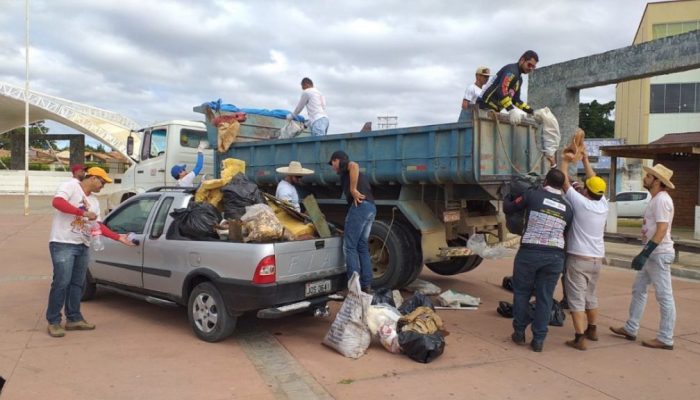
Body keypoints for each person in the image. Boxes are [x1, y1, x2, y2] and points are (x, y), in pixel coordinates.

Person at [46, 167, 135, 338]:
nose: (103, 186)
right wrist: (82, 212)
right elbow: (57, 202)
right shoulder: (71, 186)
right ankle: (54, 321)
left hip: (82, 244)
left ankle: (74, 318)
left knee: (77, 283)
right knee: (61, 282)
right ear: (93, 178)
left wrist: (118, 238)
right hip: (63, 242)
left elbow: (98, 225)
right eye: (102, 182)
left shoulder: (94, 201)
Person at [504, 168, 573, 352]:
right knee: (545, 297)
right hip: (555, 257)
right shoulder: (568, 208)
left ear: (545, 182)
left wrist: (507, 196)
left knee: (522, 293)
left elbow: (509, 208)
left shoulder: (533, 195)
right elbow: (565, 234)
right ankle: (539, 340)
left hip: (530, 253)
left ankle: (519, 333)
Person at [611, 164, 677, 350]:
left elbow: (662, 229)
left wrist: (644, 253)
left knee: (664, 296)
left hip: (658, 254)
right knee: (638, 289)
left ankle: (666, 338)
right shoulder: (656, 199)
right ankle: (631, 328)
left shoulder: (662, 200)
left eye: (649, 176)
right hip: (652, 253)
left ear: (657, 181)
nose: (645, 178)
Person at [559, 152, 609, 351]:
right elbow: (593, 179)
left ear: (586, 190)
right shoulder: (603, 204)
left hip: (579, 258)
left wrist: (564, 161)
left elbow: (563, 182)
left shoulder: (581, 203)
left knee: (576, 298)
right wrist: (586, 160)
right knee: (591, 295)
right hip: (597, 259)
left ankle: (579, 338)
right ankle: (593, 329)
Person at [328, 150, 375, 293]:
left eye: (332, 163)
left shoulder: (348, 167)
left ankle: (354, 287)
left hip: (360, 208)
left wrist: (353, 189)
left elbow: (354, 165)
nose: (332, 167)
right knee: (361, 246)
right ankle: (366, 285)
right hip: (370, 207)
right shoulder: (344, 175)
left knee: (349, 247)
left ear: (338, 160)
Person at [477, 50, 538, 124]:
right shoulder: (512, 71)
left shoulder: (519, 79)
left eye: (533, 67)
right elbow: (501, 89)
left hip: (493, 111)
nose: (531, 68)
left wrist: (532, 112)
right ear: (522, 60)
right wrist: (511, 110)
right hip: (483, 107)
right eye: (529, 65)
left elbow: (516, 100)